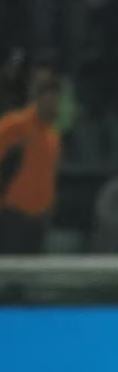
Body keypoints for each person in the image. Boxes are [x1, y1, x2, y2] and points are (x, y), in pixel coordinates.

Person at [0, 67, 61, 254]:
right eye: (48, 96)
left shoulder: (53, 137)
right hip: (10, 215)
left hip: (39, 220)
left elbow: (49, 177)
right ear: (38, 98)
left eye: (56, 98)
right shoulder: (15, 125)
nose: (53, 103)